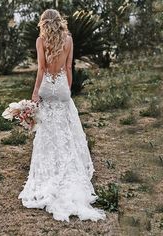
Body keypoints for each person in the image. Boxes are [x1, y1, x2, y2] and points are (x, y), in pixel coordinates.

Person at [18, 9, 106, 222]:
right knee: (65, 130)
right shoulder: (68, 39)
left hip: (47, 87)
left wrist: (35, 94)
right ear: (60, 22)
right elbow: (68, 67)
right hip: (62, 88)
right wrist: (66, 90)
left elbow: (41, 69)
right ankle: (69, 170)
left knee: (48, 131)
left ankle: (49, 173)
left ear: (43, 23)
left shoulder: (41, 41)